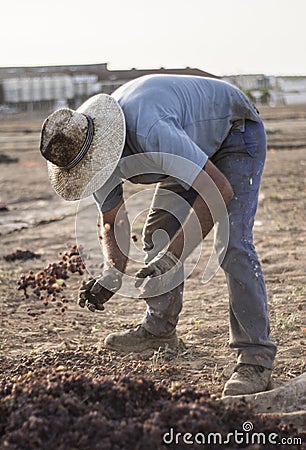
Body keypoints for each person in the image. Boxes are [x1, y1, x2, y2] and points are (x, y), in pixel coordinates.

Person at [40, 74, 277, 396]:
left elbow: (219, 189)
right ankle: (159, 330)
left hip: (233, 133)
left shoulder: (149, 131)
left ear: (105, 147)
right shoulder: (86, 154)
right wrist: (112, 274)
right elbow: (114, 221)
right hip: (186, 150)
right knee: (158, 231)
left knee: (232, 245)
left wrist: (172, 256)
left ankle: (255, 357)